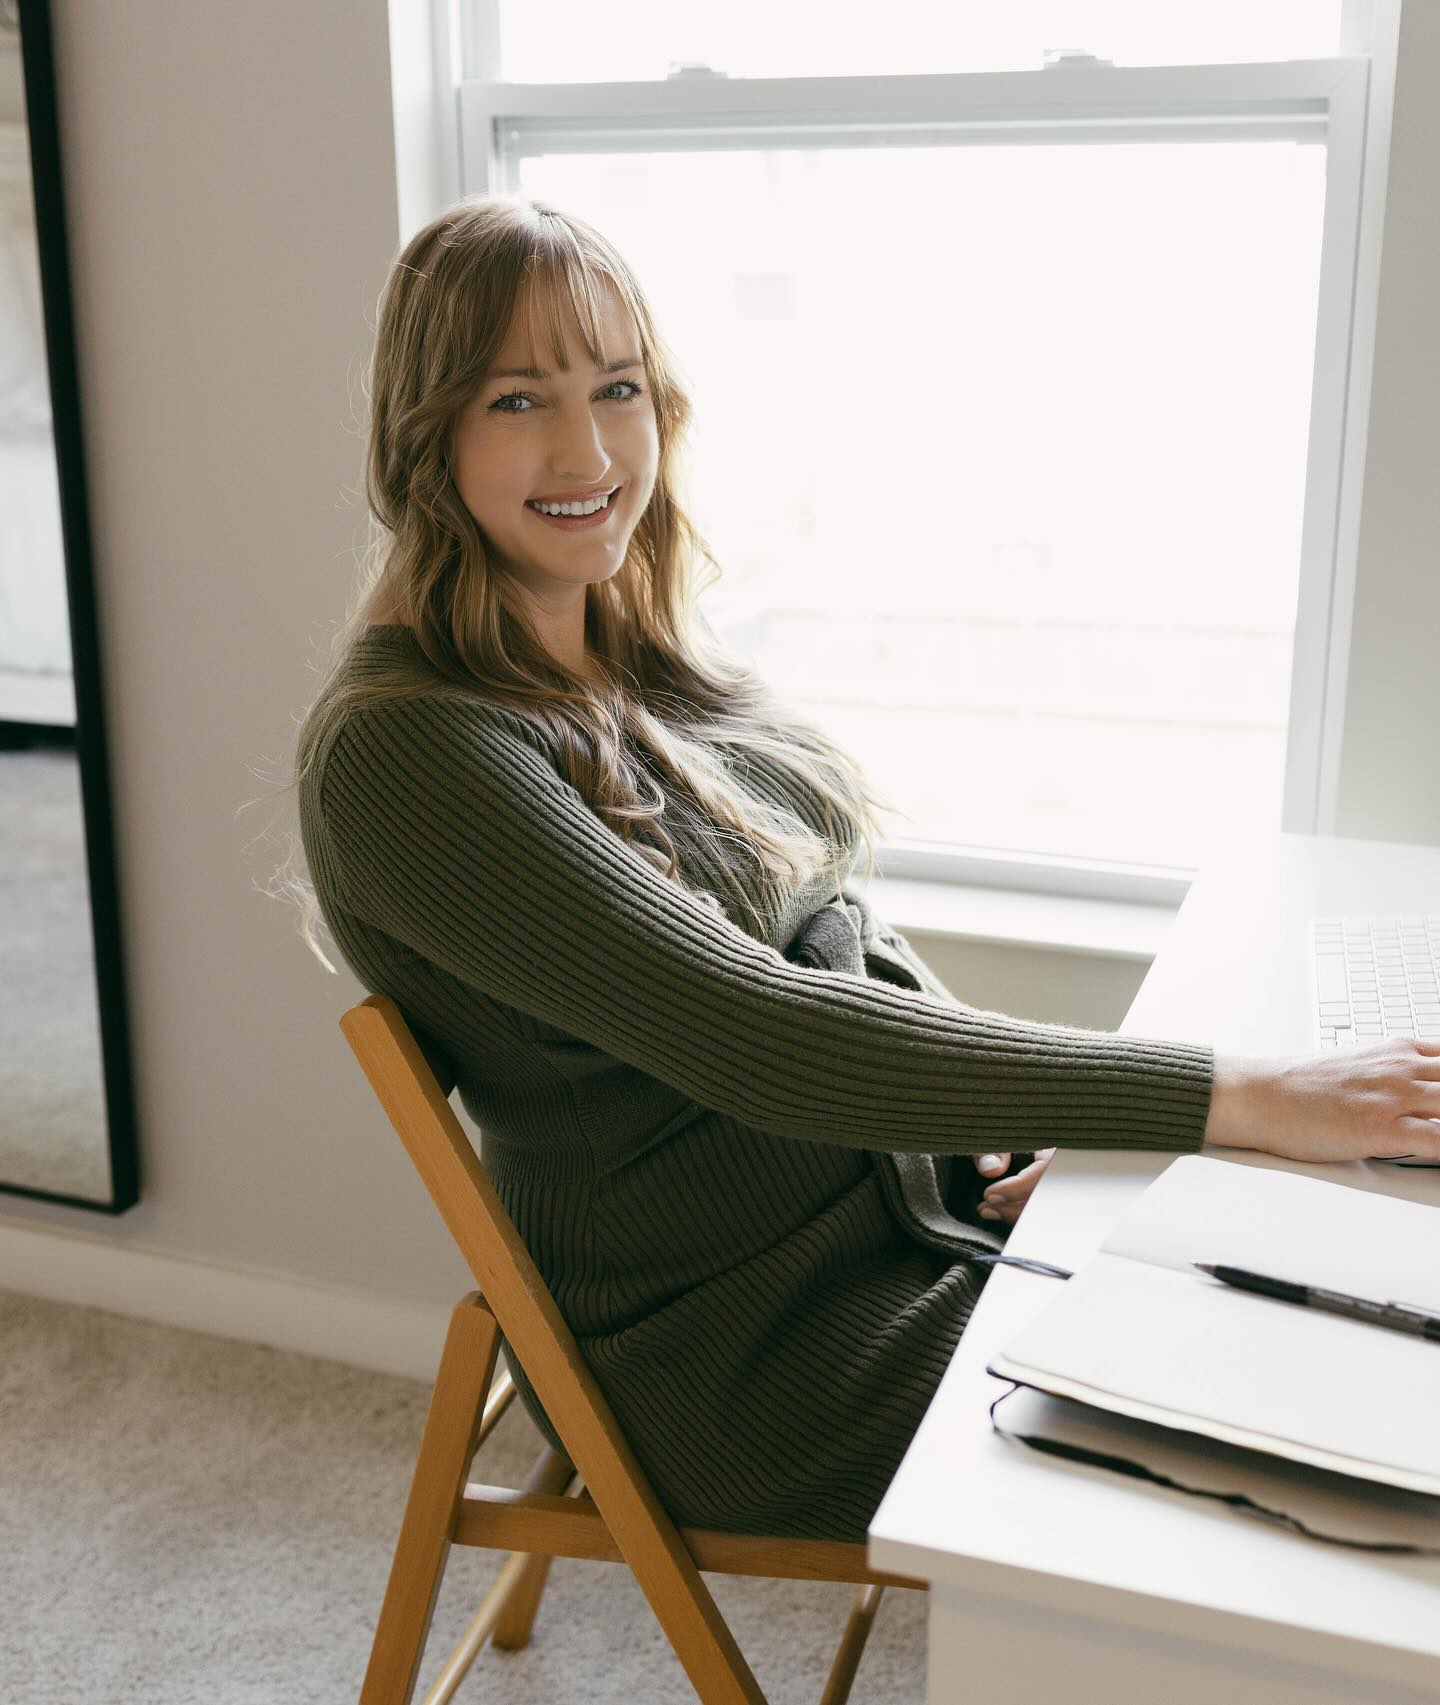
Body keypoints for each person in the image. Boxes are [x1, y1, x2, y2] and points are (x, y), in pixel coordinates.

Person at [286, 194, 1440, 1544]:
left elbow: (836, 932)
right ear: (424, 432)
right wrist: (1228, 1094)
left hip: (914, 1212)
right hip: (763, 1350)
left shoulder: (623, 651)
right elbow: (760, 1035)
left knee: (1344, 1280)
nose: (588, 450)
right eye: (518, 400)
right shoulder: (412, 752)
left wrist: (1034, 1125)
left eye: (618, 387)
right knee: (1338, 1416)